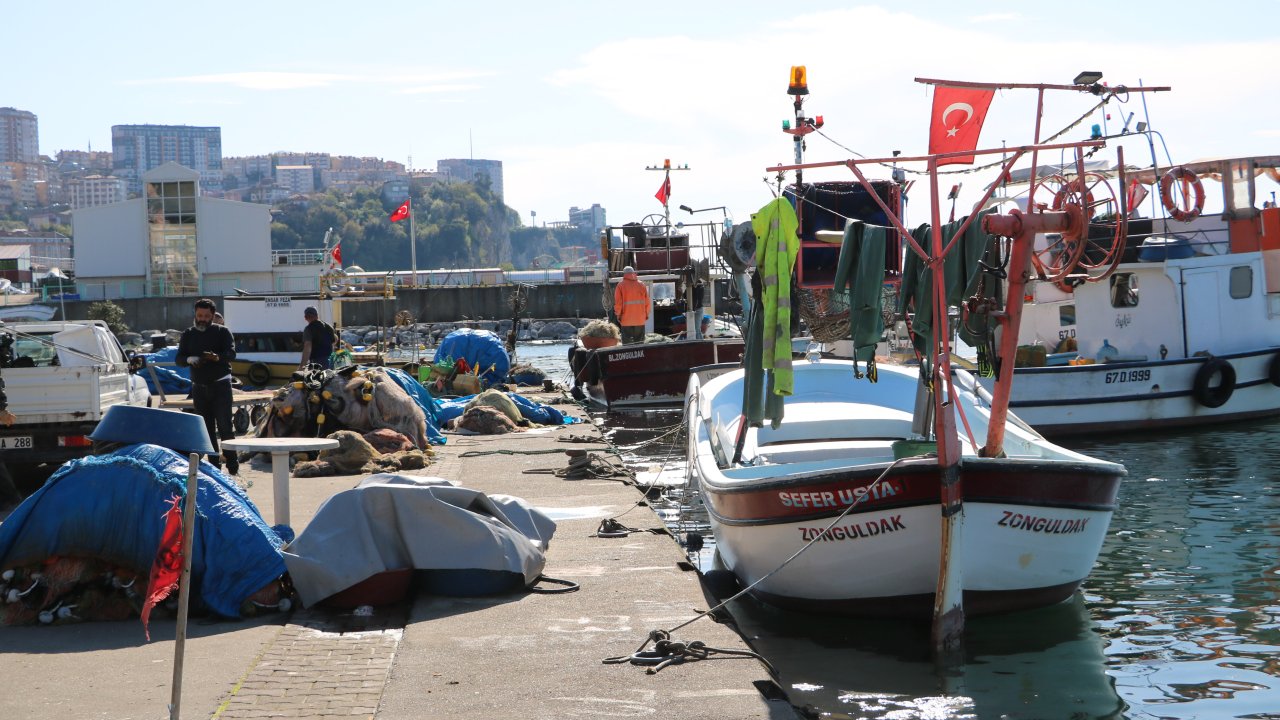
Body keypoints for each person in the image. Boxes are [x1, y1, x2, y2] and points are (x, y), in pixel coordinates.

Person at [176, 298, 239, 474]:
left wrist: (217, 357)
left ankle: (232, 465)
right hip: (199, 388)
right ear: (195, 314)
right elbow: (179, 359)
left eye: (206, 316)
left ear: (212, 316)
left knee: (225, 427)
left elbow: (231, 353)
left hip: (221, 386)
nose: (202, 319)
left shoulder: (222, 332)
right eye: (199, 315)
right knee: (207, 429)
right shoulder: (188, 334)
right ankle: (214, 467)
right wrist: (189, 359)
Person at [613, 266, 650, 344]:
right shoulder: (641, 284)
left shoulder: (620, 285)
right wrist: (646, 315)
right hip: (640, 320)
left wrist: (618, 315)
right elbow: (647, 302)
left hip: (626, 320)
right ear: (633, 273)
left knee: (627, 345)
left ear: (624, 274)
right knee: (639, 344)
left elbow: (618, 303)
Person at [299, 306, 336, 370]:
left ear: (305, 318)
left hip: (317, 363)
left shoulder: (309, 329)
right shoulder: (328, 327)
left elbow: (307, 346)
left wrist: (302, 366)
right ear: (317, 315)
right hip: (330, 362)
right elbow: (335, 339)